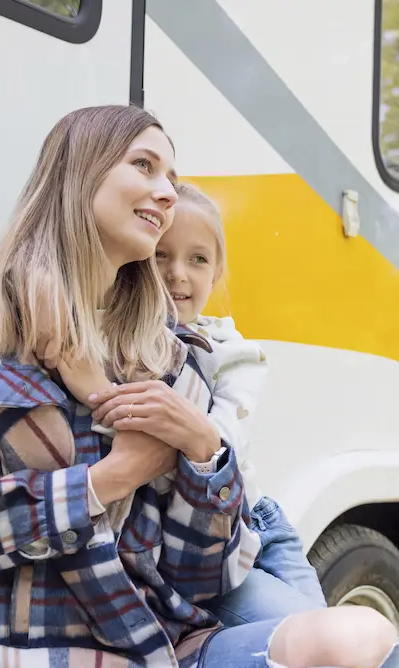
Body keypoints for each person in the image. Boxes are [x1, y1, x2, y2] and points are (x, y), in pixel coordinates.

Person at [0, 104, 399, 668]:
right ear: (77, 174)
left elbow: (200, 579)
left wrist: (202, 450)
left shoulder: (170, 357)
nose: (167, 191)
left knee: (365, 645)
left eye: (173, 175)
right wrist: (109, 477)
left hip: (169, 657)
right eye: (144, 166)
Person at [61, 181, 328, 616]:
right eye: (160, 255)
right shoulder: (113, 336)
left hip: (251, 518)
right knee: (306, 641)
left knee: (328, 634)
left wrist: (102, 395)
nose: (177, 273)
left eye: (198, 259)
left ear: (217, 272)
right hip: (190, 536)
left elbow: (218, 444)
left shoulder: (231, 351)